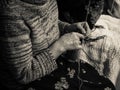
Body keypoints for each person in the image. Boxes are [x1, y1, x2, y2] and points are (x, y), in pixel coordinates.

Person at [0, 0, 90, 90]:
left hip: (53, 64)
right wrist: (60, 45)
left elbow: (45, 24)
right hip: (26, 83)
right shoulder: (11, 12)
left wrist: (67, 28)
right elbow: (24, 74)